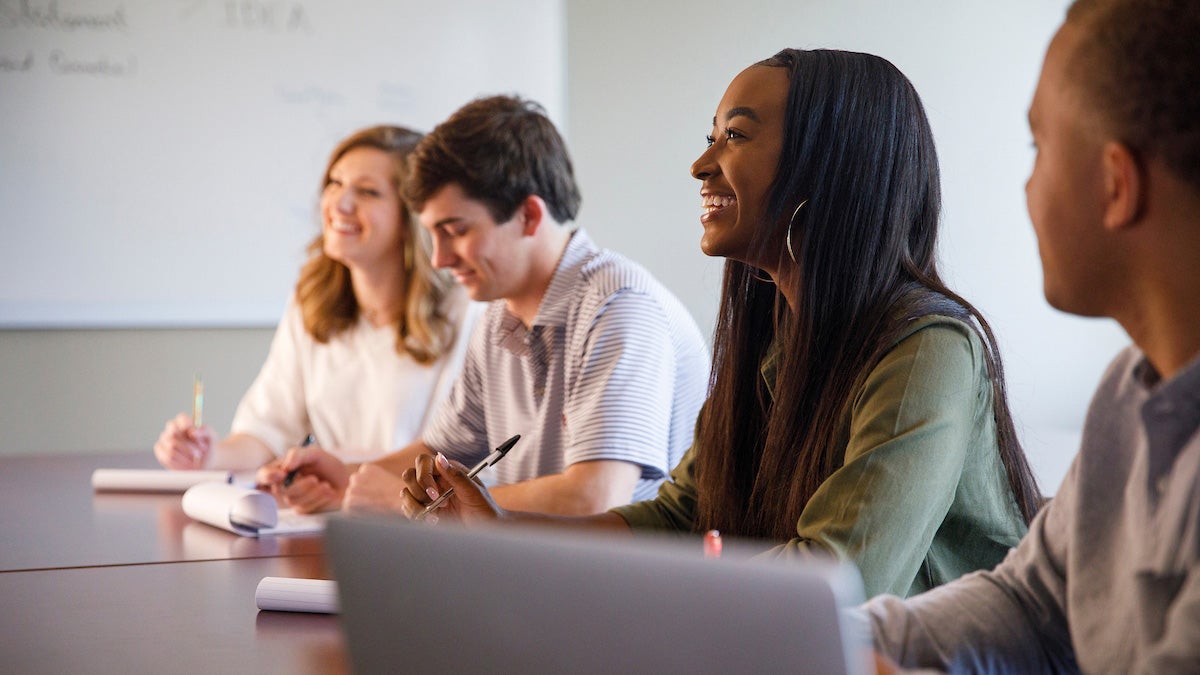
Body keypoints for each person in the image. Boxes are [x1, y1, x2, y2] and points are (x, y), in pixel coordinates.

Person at [396, 49, 1044, 599]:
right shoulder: (777, 342)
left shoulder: (928, 350)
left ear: (827, 166)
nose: (701, 165)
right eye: (712, 137)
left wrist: (628, 593)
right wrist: (495, 528)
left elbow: (838, 578)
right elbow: (684, 515)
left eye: (733, 136)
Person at [864, 0, 1200, 671]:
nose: (1026, 184)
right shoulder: (1129, 391)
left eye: (1037, 146)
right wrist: (835, 637)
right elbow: (1032, 602)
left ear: (1116, 184)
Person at [263, 96, 710, 516]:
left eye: (455, 230)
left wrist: (427, 505)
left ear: (529, 216)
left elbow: (592, 496)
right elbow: (437, 456)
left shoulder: (618, 307)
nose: (439, 258)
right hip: (539, 575)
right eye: (432, 233)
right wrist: (353, 480)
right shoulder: (501, 315)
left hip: (624, 589)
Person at [154, 126, 478, 490]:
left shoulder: (466, 311)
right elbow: (267, 431)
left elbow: (450, 457)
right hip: (331, 515)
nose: (340, 204)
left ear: (410, 219)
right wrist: (209, 454)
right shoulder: (312, 298)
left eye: (368, 192)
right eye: (334, 184)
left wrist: (340, 479)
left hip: (416, 520)